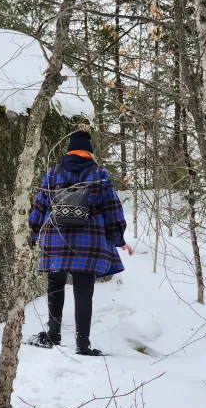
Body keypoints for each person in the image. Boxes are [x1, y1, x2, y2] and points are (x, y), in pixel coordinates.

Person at [27, 130, 133, 356]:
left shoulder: (53, 173)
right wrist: (118, 238)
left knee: (55, 284)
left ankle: (53, 334)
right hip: (89, 241)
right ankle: (82, 344)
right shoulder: (100, 174)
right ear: (89, 152)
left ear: (70, 150)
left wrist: (34, 233)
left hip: (56, 239)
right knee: (84, 291)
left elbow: (40, 206)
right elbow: (112, 209)